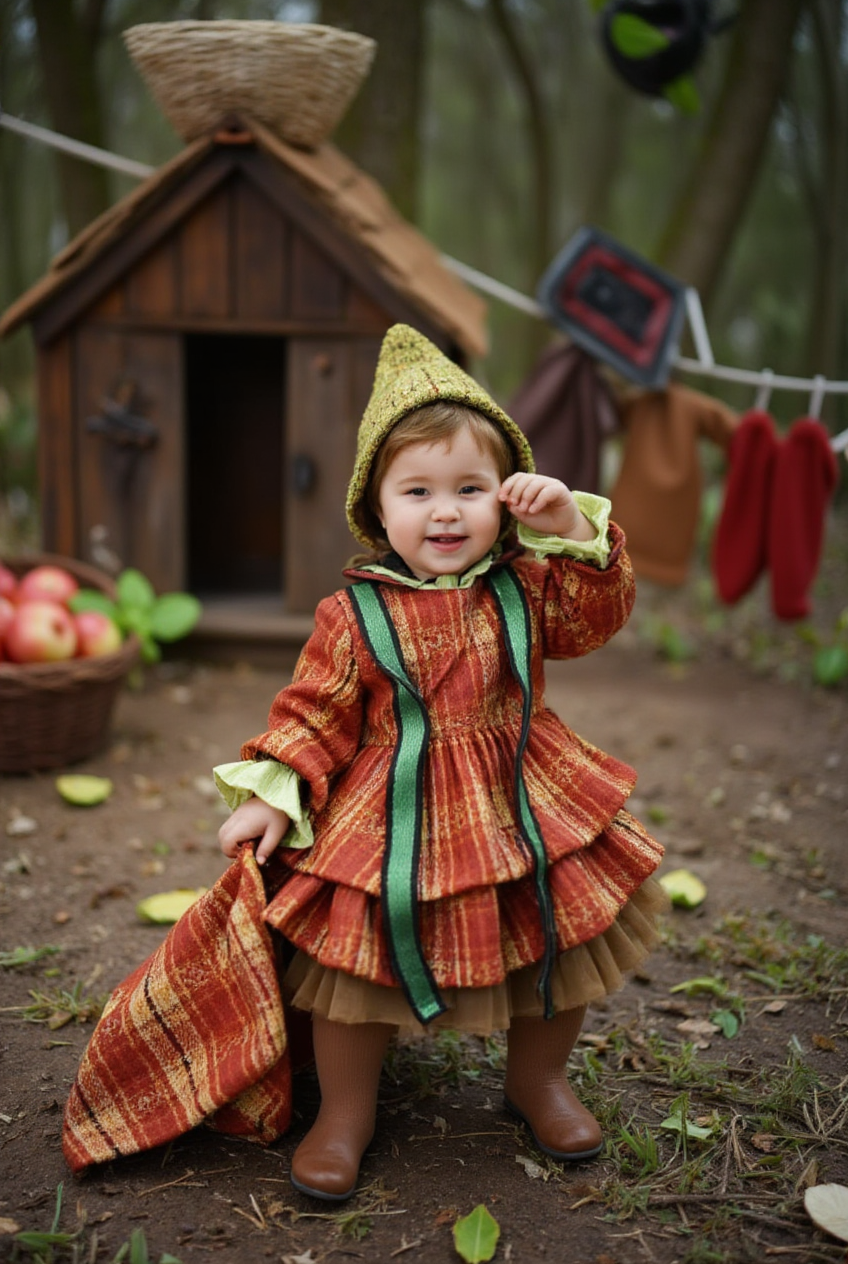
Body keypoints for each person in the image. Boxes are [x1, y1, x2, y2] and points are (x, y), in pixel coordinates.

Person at [212, 324, 666, 1202]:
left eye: (470, 488)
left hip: (521, 789)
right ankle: (346, 1111)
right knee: (353, 965)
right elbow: (316, 708)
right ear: (379, 511)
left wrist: (570, 526)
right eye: (418, 491)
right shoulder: (353, 615)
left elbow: (594, 620)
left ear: (506, 498)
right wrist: (276, 790)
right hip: (395, 807)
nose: (446, 511)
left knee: (556, 935)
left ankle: (536, 1081)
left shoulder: (528, 585)